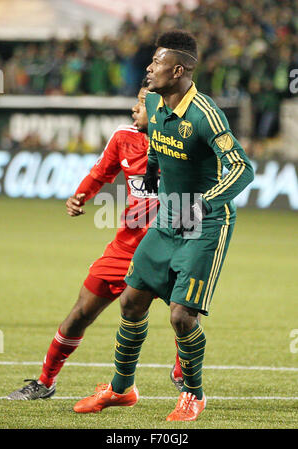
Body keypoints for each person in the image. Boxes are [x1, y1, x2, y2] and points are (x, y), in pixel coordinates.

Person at [73, 30, 254, 421]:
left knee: (180, 316)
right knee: (131, 301)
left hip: (204, 223)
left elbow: (242, 168)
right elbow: (156, 139)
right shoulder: (153, 101)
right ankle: (122, 390)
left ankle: (194, 394)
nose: (148, 68)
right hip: (168, 216)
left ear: (178, 70)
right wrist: (154, 169)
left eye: (156, 63)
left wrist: (206, 202)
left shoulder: (205, 114)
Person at [7, 80, 182, 400]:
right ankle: (45, 382)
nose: (134, 108)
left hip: (169, 249)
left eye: (141, 103)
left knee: (184, 315)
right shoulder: (123, 137)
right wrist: (81, 195)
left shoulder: (183, 144)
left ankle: (183, 374)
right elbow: (102, 171)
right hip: (124, 249)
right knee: (80, 313)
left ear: (160, 111)